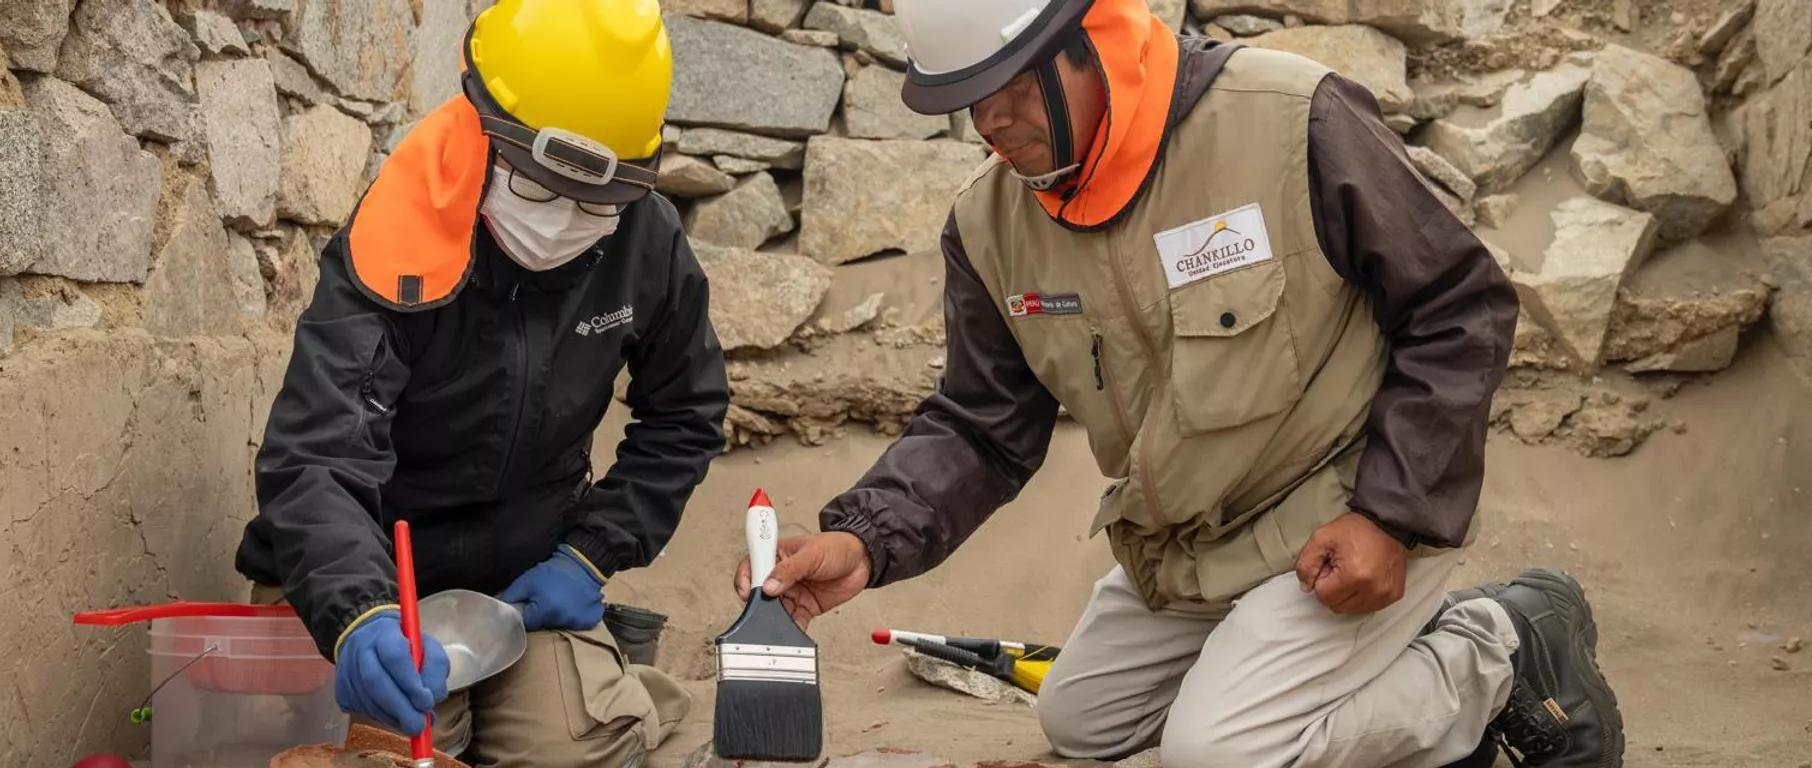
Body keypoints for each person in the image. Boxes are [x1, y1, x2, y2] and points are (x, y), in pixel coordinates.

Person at [732, 1, 1624, 766]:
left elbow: (1458, 306)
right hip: (1191, 548)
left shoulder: (1286, 119)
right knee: (1080, 722)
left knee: (1218, 753)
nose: (989, 125)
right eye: (966, 101)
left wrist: (1393, 516)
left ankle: (1500, 649)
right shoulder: (989, 224)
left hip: (1348, 514)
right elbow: (980, 426)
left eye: (1005, 88)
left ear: (1088, 43)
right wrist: (862, 541)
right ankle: (1346, 678)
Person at [236, 2, 728, 766]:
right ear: (482, 124)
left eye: (596, 202)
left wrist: (592, 552)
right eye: (537, 188)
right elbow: (317, 457)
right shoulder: (397, 234)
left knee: (580, 749)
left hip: (521, 586)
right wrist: (357, 615)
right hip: (373, 577)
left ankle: (622, 692)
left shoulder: (645, 236)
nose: (564, 219)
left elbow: (688, 410)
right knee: (384, 747)